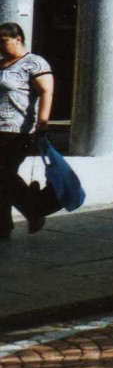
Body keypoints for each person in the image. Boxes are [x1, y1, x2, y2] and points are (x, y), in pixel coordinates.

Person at [0, 22, 54, 238]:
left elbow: (46, 92)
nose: (0, 47)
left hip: (18, 131)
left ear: (18, 39)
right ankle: (6, 226)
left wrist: (42, 122)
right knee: (3, 179)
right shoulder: (1, 63)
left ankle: (34, 210)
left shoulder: (34, 63)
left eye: (3, 42)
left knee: (4, 175)